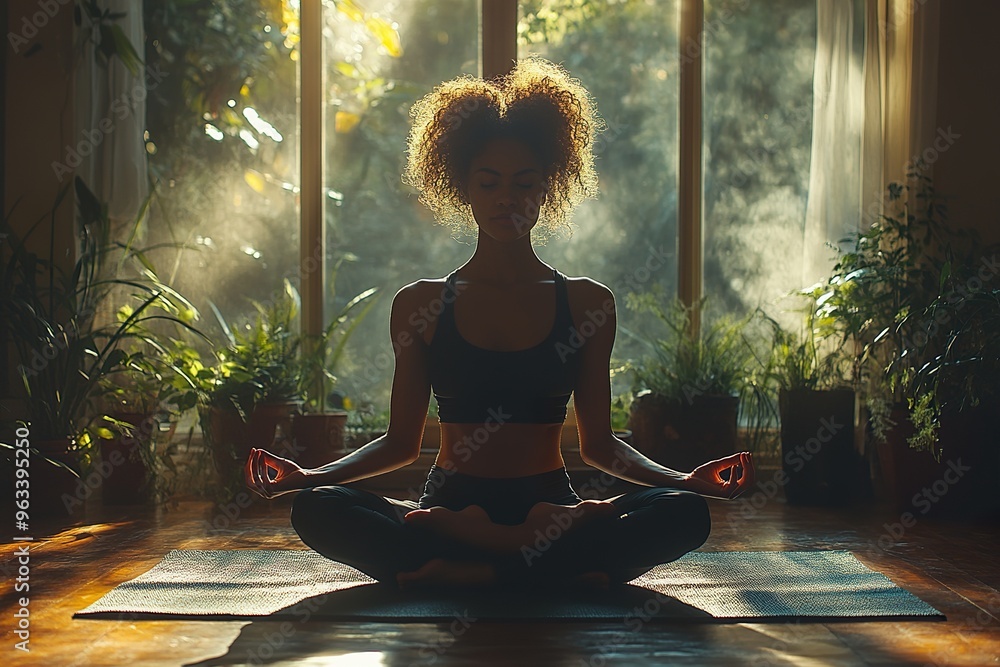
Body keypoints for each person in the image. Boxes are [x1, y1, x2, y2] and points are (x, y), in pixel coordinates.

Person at [245, 56, 755, 591]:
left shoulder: (587, 305)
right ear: (463, 188)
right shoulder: (420, 304)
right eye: (488, 183)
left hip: (545, 506)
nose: (507, 197)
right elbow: (400, 443)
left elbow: (600, 446)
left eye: (523, 183)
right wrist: (311, 477)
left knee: (685, 511)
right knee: (316, 507)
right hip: (457, 503)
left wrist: (685, 480)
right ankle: (549, 566)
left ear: (546, 189)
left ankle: (469, 560)